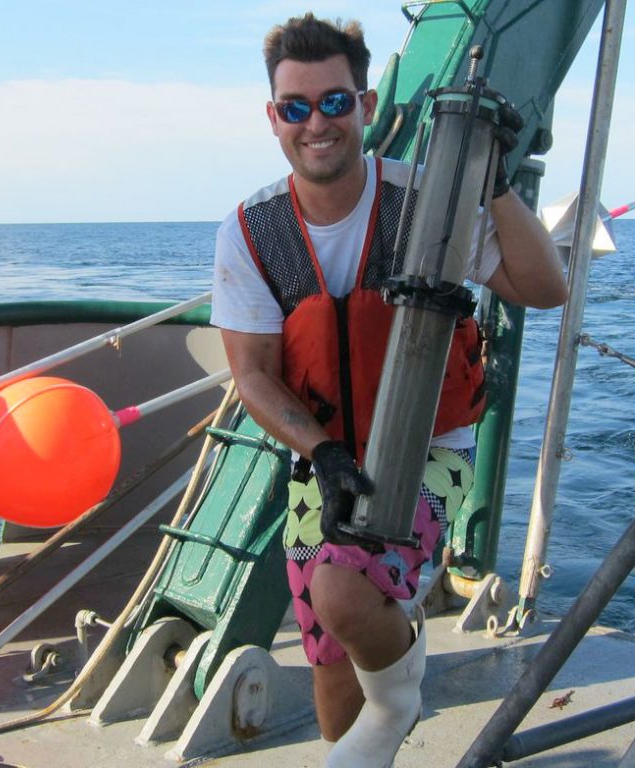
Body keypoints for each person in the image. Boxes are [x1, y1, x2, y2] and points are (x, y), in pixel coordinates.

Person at [210, 13, 567, 768]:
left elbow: (545, 287)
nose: (317, 124)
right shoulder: (251, 231)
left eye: (336, 102)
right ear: (273, 118)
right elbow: (254, 375)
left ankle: (401, 696)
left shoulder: (424, 205)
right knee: (330, 656)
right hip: (329, 454)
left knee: (343, 595)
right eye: (297, 107)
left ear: (367, 107)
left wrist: (494, 184)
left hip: (429, 447)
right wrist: (326, 453)